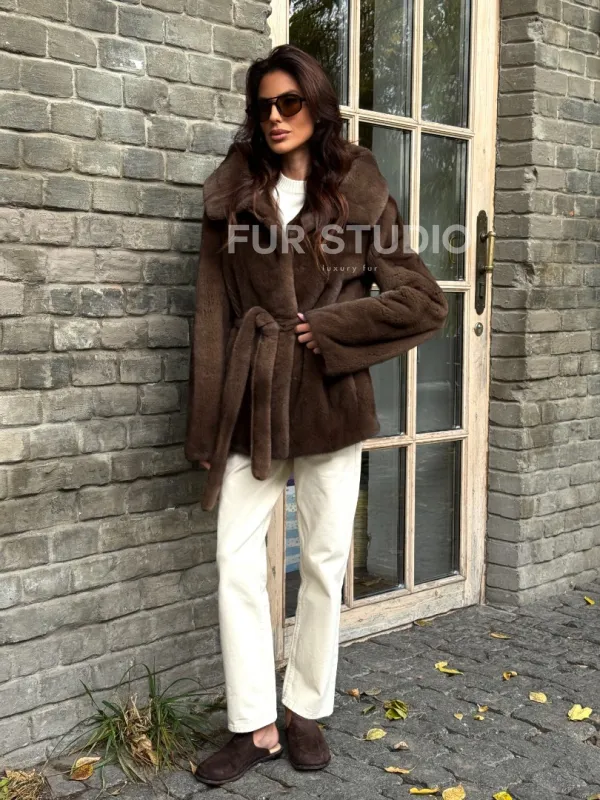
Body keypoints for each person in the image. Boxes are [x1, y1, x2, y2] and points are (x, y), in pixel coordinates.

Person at [184, 43, 448, 786]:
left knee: (326, 562)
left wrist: (331, 328)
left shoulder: (360, 193)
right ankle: (254, 725)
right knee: (236, 561)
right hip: (253, 395)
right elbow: (210, 316)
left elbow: (422, 300)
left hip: (332, 398)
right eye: (263, 105)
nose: (274, 117)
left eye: (289, 102)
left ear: (316, 105)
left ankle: (304, 709)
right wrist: (206, 423)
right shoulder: (232, 194)